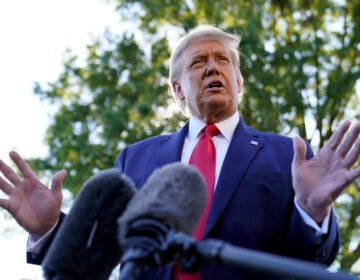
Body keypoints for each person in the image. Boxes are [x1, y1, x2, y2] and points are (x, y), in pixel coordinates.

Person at [0, 25, 359, 280]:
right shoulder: (134, 158)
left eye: (222, 60)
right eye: (198, 62)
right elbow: (101, 253)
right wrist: (51, 228)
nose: (212, 67)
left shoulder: (286, 155)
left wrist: (313, 211)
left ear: (238, 82)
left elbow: (312, 258)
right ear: (177, 90)